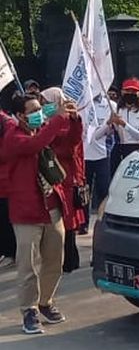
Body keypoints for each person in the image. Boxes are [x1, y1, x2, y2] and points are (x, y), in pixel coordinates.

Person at [2, 93, 77, 334]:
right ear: (20, 115)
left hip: (52, 207)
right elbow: (34, 145)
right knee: (28, 266)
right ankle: (29, 310)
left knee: (55, 260)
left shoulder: (44, 130)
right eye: (33, 111)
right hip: (25, 211)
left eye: (40, 109)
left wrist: (74, 120)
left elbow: (70, 143)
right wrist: (56, 120)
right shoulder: (13, 136)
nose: (39, 114)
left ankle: (46, 302)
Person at [40, 88, 86, 273]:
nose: (44, 107)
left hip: (65, 177)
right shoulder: (46, 122)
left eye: (47, 103)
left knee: (68, 222)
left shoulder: (69, 122)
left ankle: (69, 261)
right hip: (51, 179)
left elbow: (71, 146)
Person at [82, 91, 118, 233]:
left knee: (104, 189)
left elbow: (107, 131)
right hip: (84, 155)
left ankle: (105, 220)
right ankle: (83, 223)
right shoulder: (82, 105)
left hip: (103, 153)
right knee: (84, 191)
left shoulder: (111, 105)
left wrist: (108, 125)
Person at [109, 77, 139, 176]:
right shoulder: (118, 110)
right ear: (122, 92)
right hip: (121, 148)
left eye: (133, 91)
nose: (130, 93)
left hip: (138, 148)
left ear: (138, 93)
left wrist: (124, 124)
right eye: (128, 90)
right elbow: (113, 131)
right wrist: (111, 123)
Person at [0, 111, 16, 268]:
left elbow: (8, 152)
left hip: (6, 181)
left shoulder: (7, 123)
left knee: (5, 219)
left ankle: (10, 252)